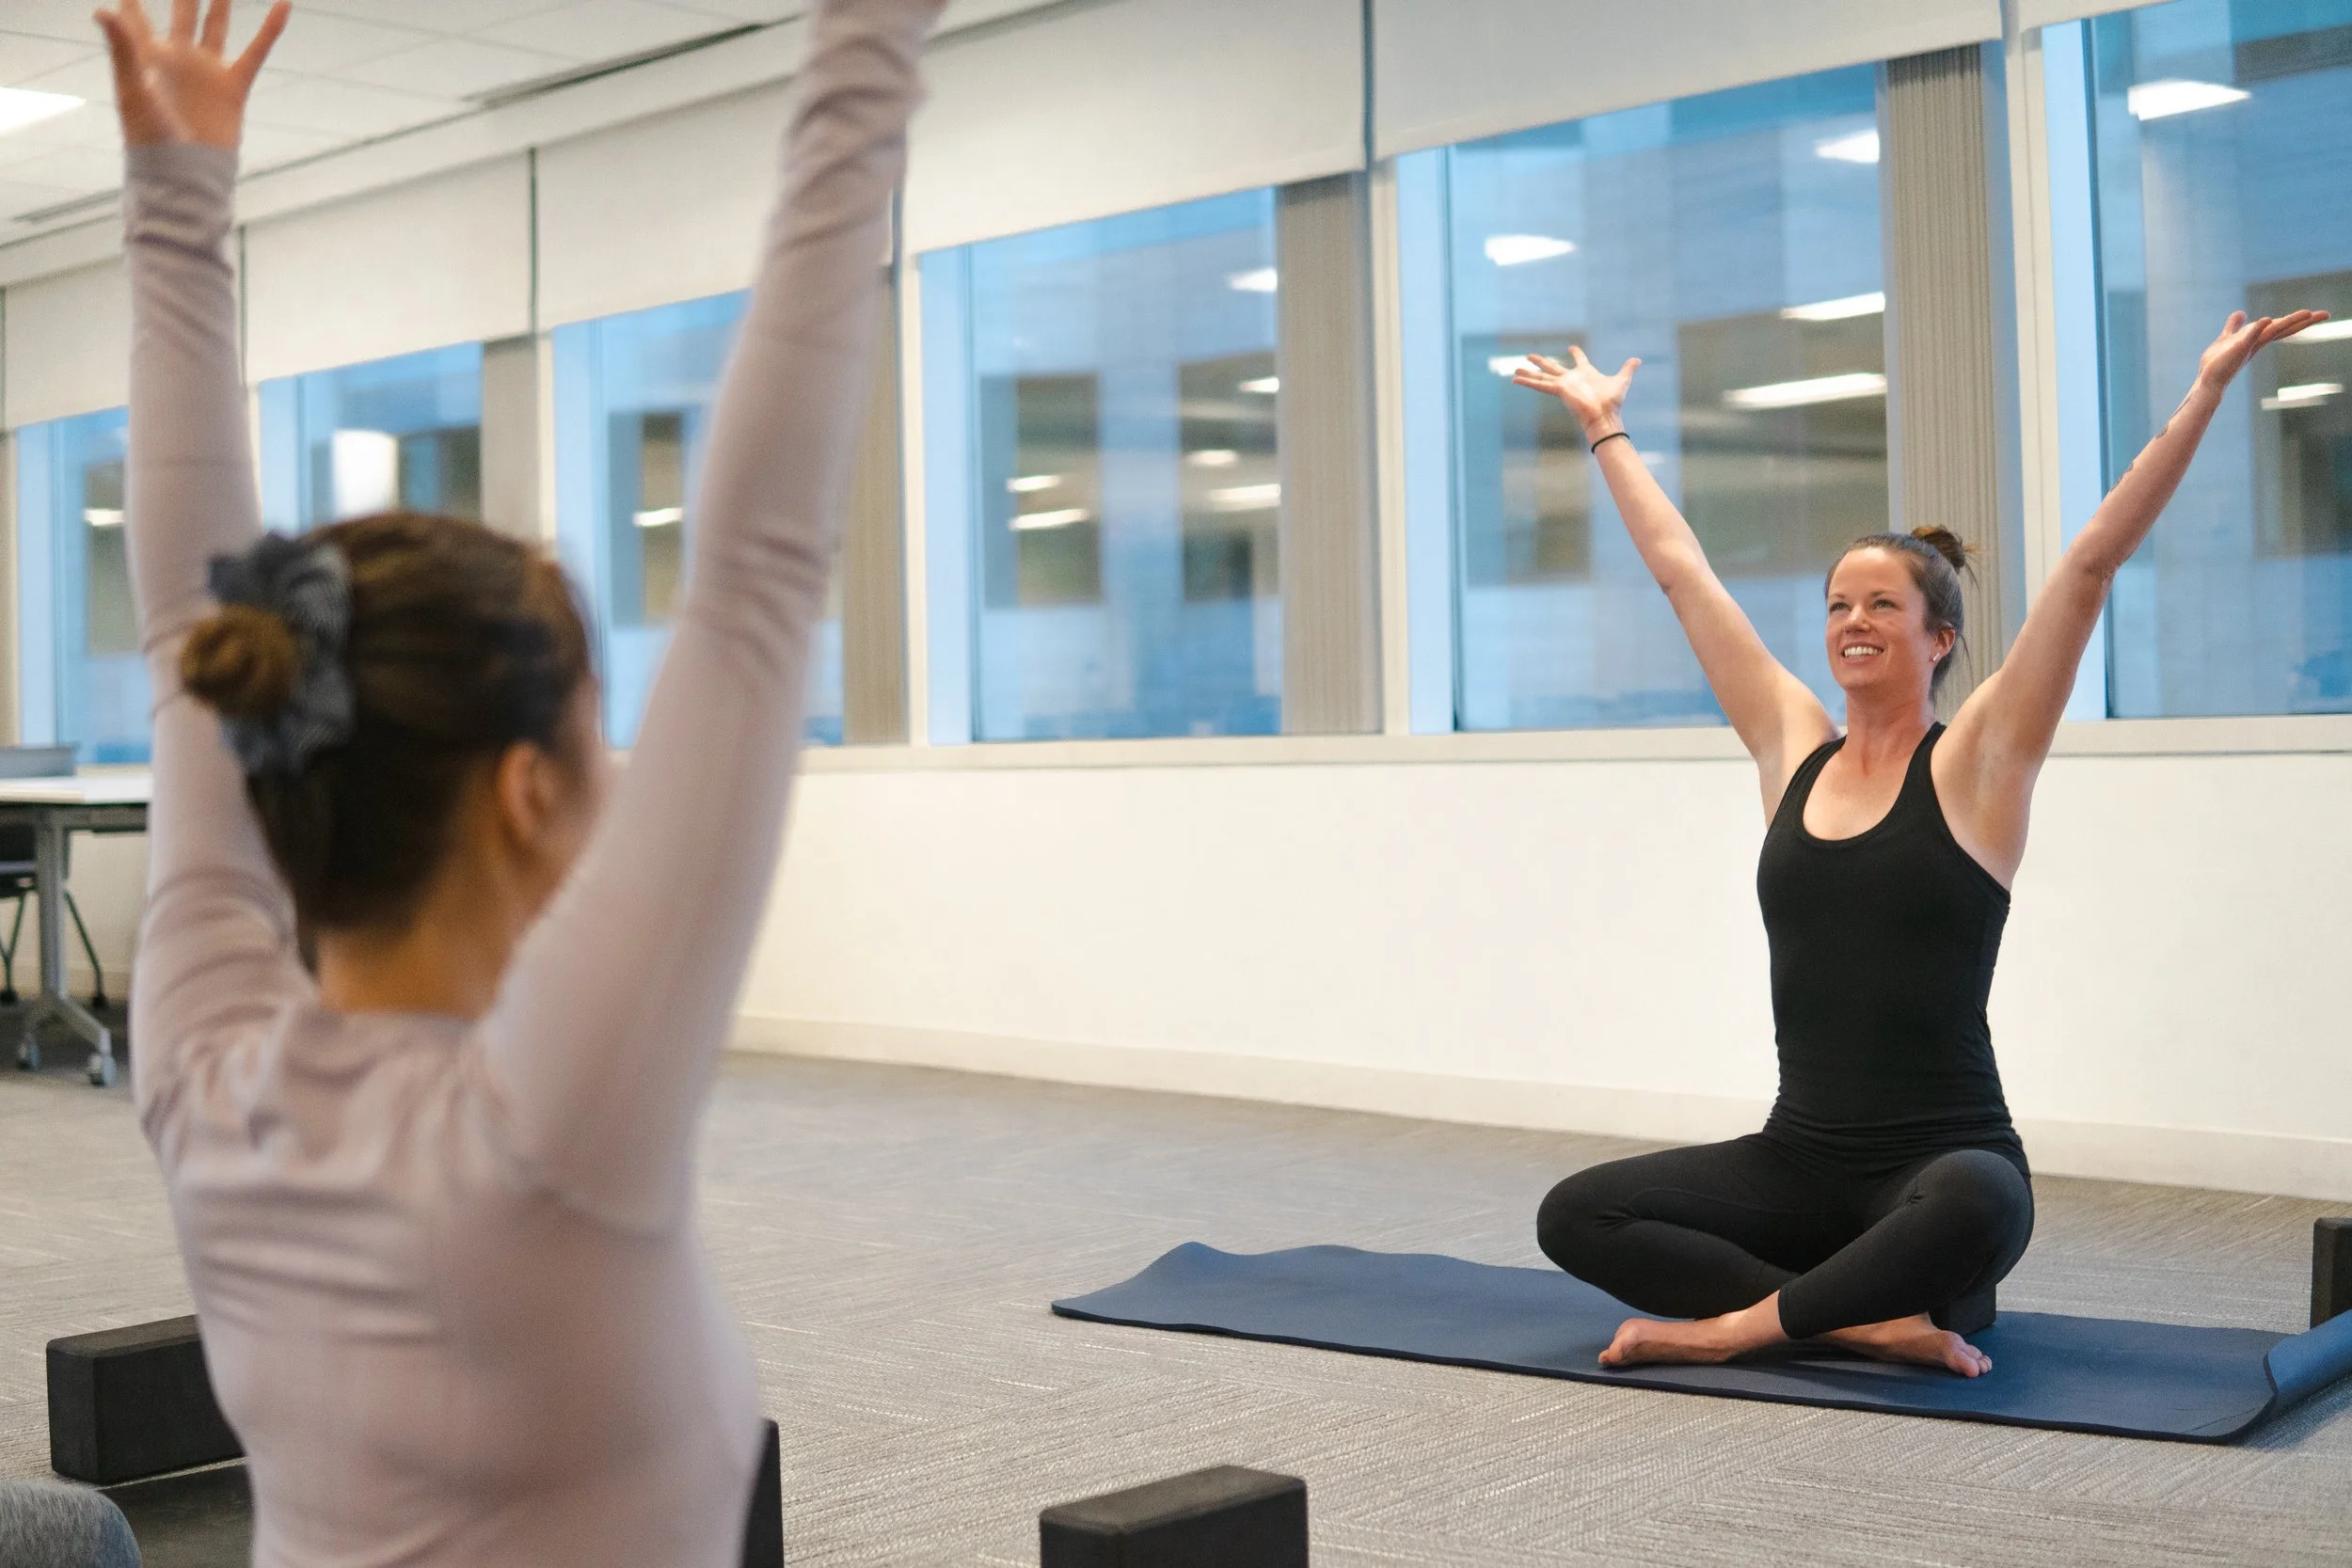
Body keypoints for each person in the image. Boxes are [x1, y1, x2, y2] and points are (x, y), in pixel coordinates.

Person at [102, 0, 943, 1561]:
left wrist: (176, 201)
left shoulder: (205, 1069)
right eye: (595, 733)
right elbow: (756, 564)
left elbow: (179, 632)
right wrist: (865, 42)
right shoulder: (551, 1126)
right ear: (522, 792)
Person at [1511, 303, 2326, 1377]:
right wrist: (1603, 429)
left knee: (1982, 1199)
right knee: (1575, 1212)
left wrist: (2207, 390)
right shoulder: (1790, 744)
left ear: (1938, 637)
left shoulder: (1976, 767)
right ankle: (1856, 1319)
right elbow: (1683, 575)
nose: (1853, 619)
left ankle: (1733, 1329)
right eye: (1839, 602)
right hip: (1796, 1169)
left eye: (1882, 604)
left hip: (1936, 1175)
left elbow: (2086, 568)